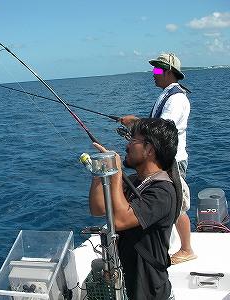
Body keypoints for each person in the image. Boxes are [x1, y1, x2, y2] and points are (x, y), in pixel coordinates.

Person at [89, 118, 181, 300]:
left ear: (149, 149)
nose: (127, 146)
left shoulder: (163, 192)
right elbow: (98, 209)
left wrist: (116, 174)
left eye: (132, 141)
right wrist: (100, 172)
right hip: (131, 287)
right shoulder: (137, 182)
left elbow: (119, 220)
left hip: (152, 293)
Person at [119, 52, 196, 265]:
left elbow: (162, 129)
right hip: (166, 159)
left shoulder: (177, 98)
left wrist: (136, 122)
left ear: (169, 72)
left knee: (177, 202)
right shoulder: (168, 95)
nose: (153, 74)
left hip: (173, 160)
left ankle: (187, 249)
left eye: (158, 70)